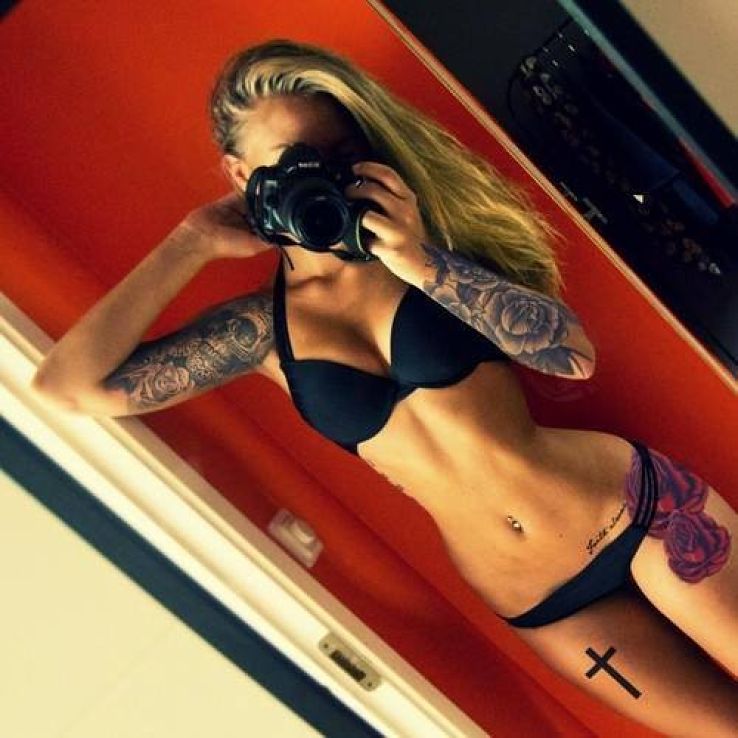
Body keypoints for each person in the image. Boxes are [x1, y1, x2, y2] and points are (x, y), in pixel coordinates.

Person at [32, 38, 738, 735]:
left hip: (635, 512)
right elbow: (68, 388)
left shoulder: (428, 245)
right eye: (294, 162)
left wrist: (418, 259)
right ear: (242, 174)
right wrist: (190, 241)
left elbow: (571, 357)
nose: (324, 176)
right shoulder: (261, 334)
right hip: (545, 604)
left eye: (339, 155)